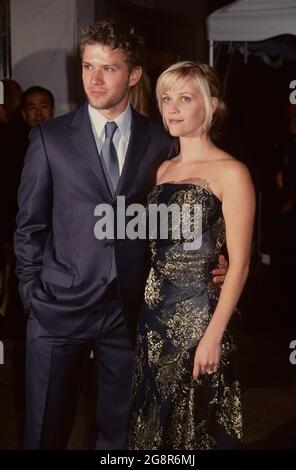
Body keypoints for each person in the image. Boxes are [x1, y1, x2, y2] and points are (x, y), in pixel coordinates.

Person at [14, 21, 227, 450]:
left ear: (133, 74)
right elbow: (29, 226)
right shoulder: (48, 139)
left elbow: (180, 217)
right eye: (88, 66)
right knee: (44, 432)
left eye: (108, 68)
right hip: (58, 307)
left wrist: (211, 258)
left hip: (129, 312)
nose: (94, 79)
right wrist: (32, 295)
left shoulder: (160, 141)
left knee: (122, 436)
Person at [128, 61, 255, 450]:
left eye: (185, 98)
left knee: (196, 429)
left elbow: (240, 264)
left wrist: (213, 335)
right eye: (166, 98)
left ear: (212, 105)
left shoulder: (231, 172)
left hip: (200, 320)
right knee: (154, 430)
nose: (173, 108)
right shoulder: (164, 169)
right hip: (153, 320)